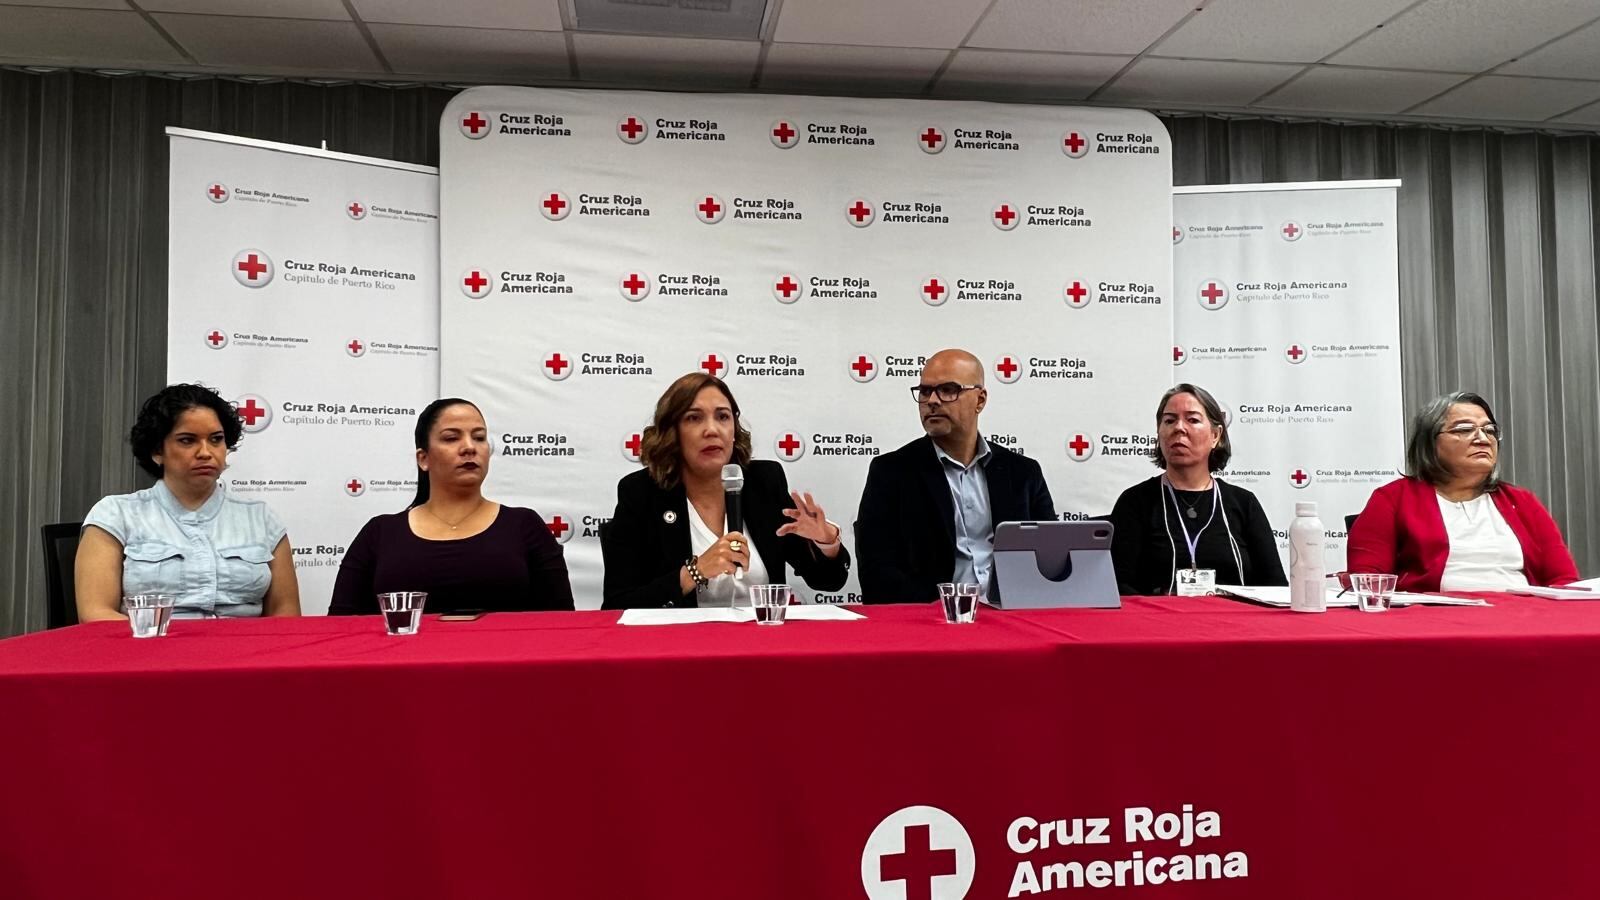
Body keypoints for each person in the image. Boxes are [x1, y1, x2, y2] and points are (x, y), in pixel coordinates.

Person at [602, 373, 849, 609]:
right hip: (681, 645)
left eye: (722, 417)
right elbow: (617, 603)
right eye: (694, 418)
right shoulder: (641, 493)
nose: (712, 430)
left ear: (734, 431)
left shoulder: (763, 482)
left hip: (761, 643)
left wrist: (825, 541)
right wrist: (695, 572)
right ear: (672, 433)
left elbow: (828, 581)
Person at [76, 384, 301, 621]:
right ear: (157, 451)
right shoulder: (115, 515)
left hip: (246, 653)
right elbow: (96, 615)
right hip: (151, 652)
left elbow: (285, 616)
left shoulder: (261, 518)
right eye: (187, 440)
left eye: (216, 439)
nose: (205, 452)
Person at [329, 398, 573, 615]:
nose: (469, 447)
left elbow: (562, 626)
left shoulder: (525, 526)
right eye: (451, 438)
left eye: (479, 437)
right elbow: (340, 629)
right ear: (423, 459)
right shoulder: (380, 533)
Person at [854, 348, 1055, 603]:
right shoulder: (893, 472)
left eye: (948, 390)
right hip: (933, 622)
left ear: (980, 400)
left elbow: (1050, 557)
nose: (932, 401)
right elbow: (876, 572)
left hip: (1013, 614)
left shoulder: (1023, 473)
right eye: (925, 391)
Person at [1348, 391, 1577, 592]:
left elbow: (1564, 580)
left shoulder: (1523, 501)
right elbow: (1367, 582)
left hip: (1522, 624)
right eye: (1465, 429)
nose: (1482, 439)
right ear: (1430, 443)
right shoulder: (1393, 499)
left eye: (1489, 430)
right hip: (1433, 626)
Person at [1109, 384, 1285, 594]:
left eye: (1192, 420)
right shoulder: (1135, 502)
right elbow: (1117, 587)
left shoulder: (1243, 503)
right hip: (1158, 623)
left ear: (1215, 436)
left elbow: (1276, 588)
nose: (1179, 428)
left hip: (1233, 622)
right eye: (1169, 420)